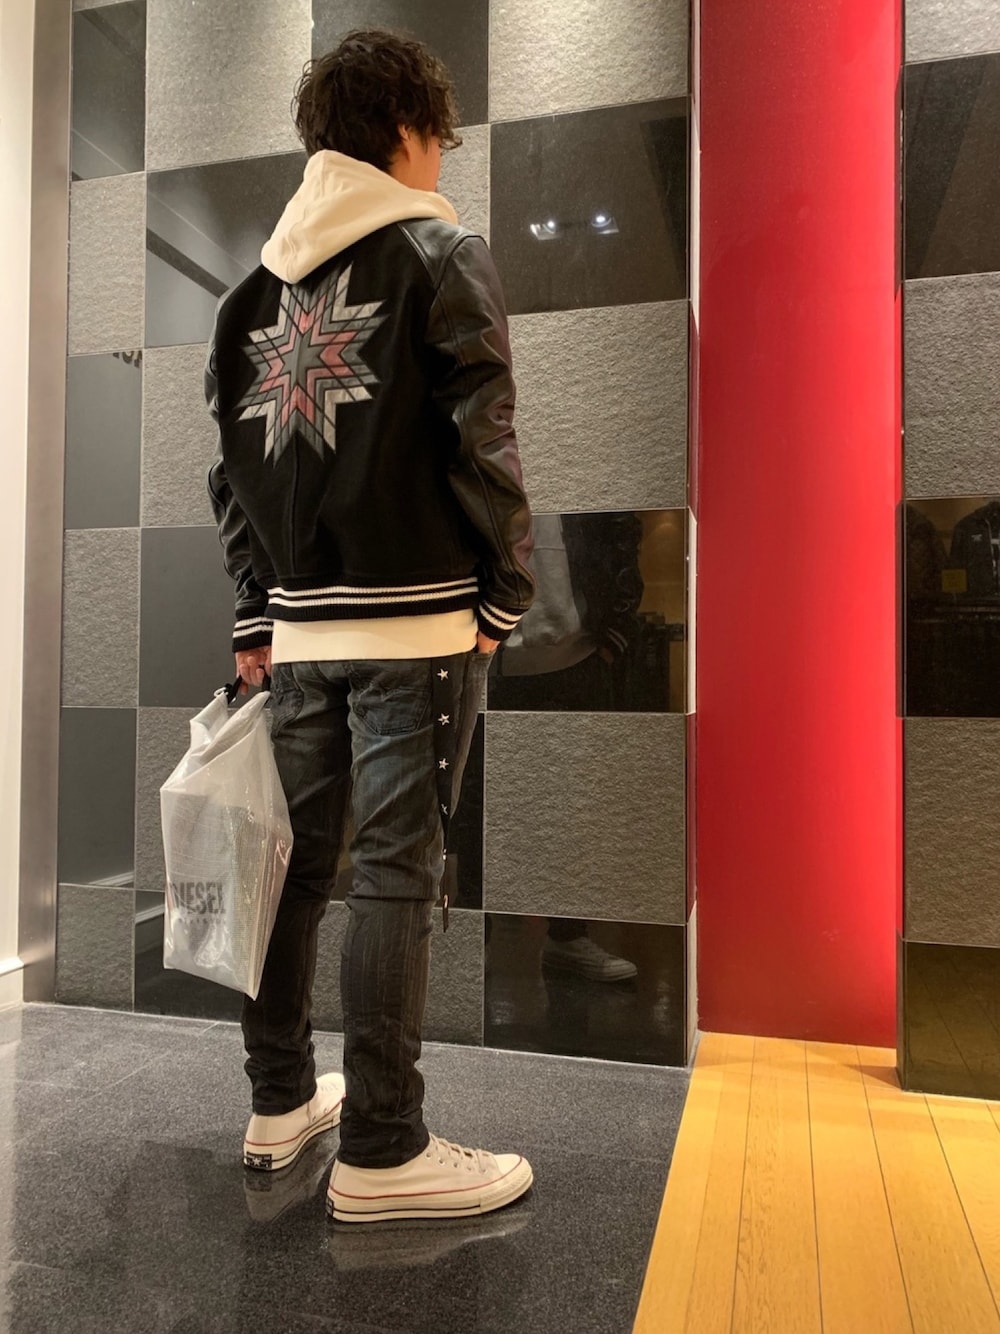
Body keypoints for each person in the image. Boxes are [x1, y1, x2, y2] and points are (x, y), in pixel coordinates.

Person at [205, 29, 535, 1224]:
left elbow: (230, 479)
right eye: (439, 134)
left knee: (290, 870)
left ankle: (280, 1100)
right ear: (406, 127)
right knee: (397, 870)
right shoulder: (441, 255)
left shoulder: (247, 295)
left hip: (298, 633)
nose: (442, 156)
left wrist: (257, 611)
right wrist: (505, 593)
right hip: (417, 625)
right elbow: (484, 441)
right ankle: (386, 1147)